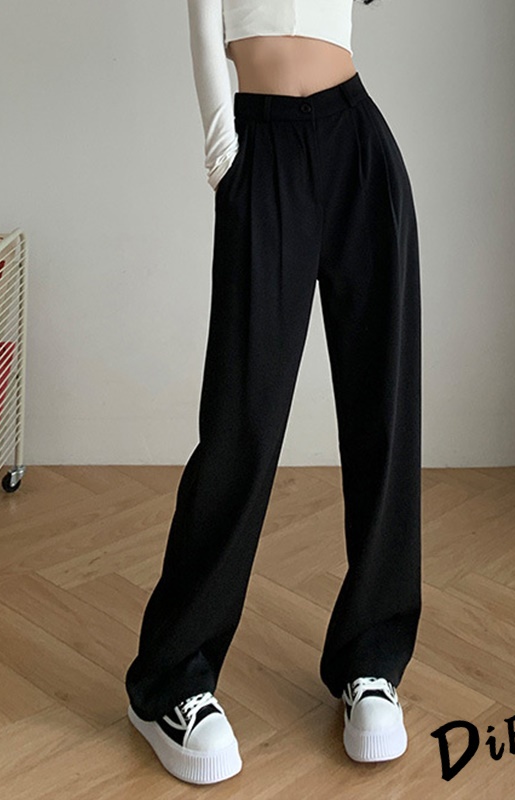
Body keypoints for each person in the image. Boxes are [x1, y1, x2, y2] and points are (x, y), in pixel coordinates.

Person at [124, 0, 422, 785]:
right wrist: (224, 147)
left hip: (358, 142)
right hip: (262, 145)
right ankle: (171, 681)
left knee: (384, 412)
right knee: (242, 422)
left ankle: (372, 660)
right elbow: (203, 16)